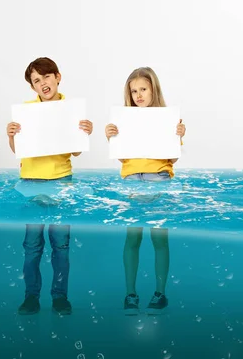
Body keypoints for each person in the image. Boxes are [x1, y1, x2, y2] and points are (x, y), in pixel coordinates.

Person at [6, 57, 93, 315]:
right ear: (32, 87)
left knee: (61, 245)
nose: (42, 83)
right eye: (36, 81)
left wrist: (84, 132)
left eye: (45, 77)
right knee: (32, 246)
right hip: (31, 183)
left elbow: (76, 151)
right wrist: (12, 135)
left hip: (61, 182)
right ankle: (31, 296)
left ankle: (59, 297)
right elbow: (17, 151)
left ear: (57, 77)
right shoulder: (26, 111)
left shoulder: (70, 110)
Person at [105, 66, 186, 315]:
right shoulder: (124, 120)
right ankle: (130, 294)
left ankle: (160, 293)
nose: (138, 94)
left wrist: (179, 135)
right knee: (133, 239)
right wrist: (112, 138)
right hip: (131, 179)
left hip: (159, 178)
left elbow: (172, 158)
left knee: (159, 239)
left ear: (153, 90)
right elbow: (123, 159)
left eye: (143, 89)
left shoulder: (166, 119)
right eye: (134, 91)